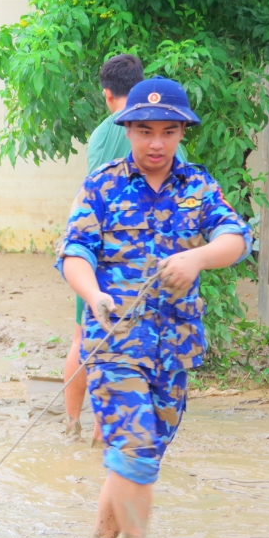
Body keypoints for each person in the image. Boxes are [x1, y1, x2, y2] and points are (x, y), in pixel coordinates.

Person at [56, 77, 250, 538]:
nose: (156, 143)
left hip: (175, 346)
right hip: (116, 344)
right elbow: (74, 252)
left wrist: (197, 257)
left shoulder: (198, 186)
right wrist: (93, 294)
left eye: (168, 131)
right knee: (134, 447)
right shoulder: (103, 184)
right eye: (144, 131)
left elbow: (237, 238)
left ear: (183, 132)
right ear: (127, 129)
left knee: (141, 457)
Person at [64, 54, 187, 442]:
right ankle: (112, 435)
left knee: (86, 337)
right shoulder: (166, 135)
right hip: (157, 264)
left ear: (106, 95)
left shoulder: (103, 134)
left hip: (106, 264)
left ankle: (76, 426)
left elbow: (92, 203)